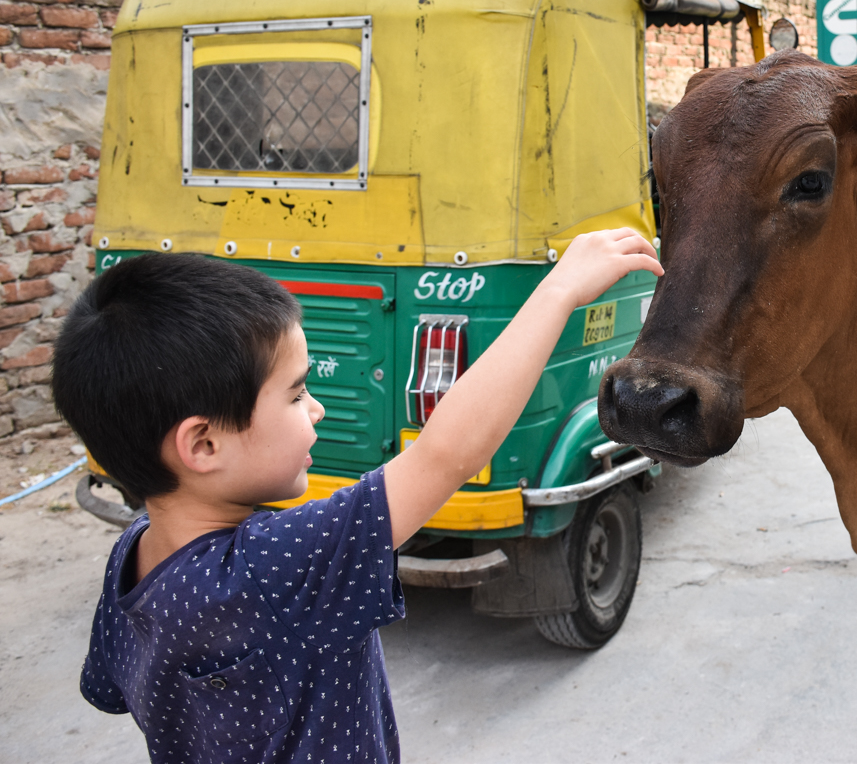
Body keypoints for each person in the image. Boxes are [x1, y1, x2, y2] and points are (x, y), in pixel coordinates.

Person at [52, 232, 662, 763]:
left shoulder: (131, 559)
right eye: (295, 395)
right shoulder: (270, 567)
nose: (315, 407)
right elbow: (445, 454)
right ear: (203, 444)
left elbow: (113, 689)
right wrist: (556, 293)